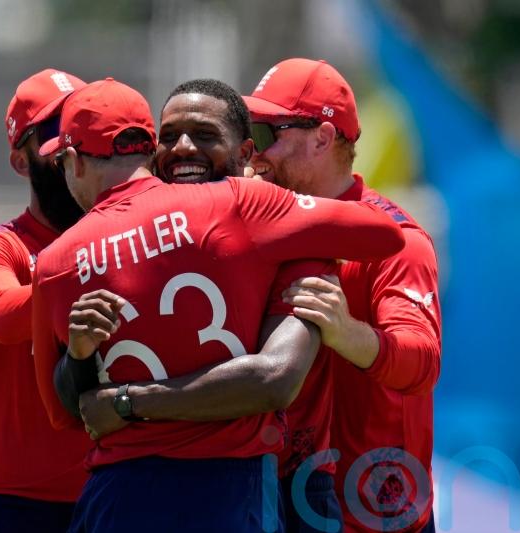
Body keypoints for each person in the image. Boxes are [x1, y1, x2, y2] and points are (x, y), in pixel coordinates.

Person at [31, 77, 406, 533]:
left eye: (204, 135)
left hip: (123, 493)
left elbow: (68, 413)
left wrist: (124, 396)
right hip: (232, 488)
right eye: (170, 137)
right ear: (149, 150)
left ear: (73, 160)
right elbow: (384, 234)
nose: (184, 148)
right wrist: (278, 204)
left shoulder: (55, 261)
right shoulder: (248, 205)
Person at [245, 58, 442, 533]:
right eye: (248, 134)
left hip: (374, 516)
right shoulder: (262, 226)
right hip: (288, 507)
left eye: (267, 133)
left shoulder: (396, 240)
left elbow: (422, 362)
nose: (254, 153)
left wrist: (346, 332)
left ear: (323, 138)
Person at [0, 69, 92, 533]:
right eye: (51, 131)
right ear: (20, 162)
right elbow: (6, 316)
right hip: (11, 505)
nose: (68, 142)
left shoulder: (128, 239)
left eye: (80, 123)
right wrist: (112, 271)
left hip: (108, 492)